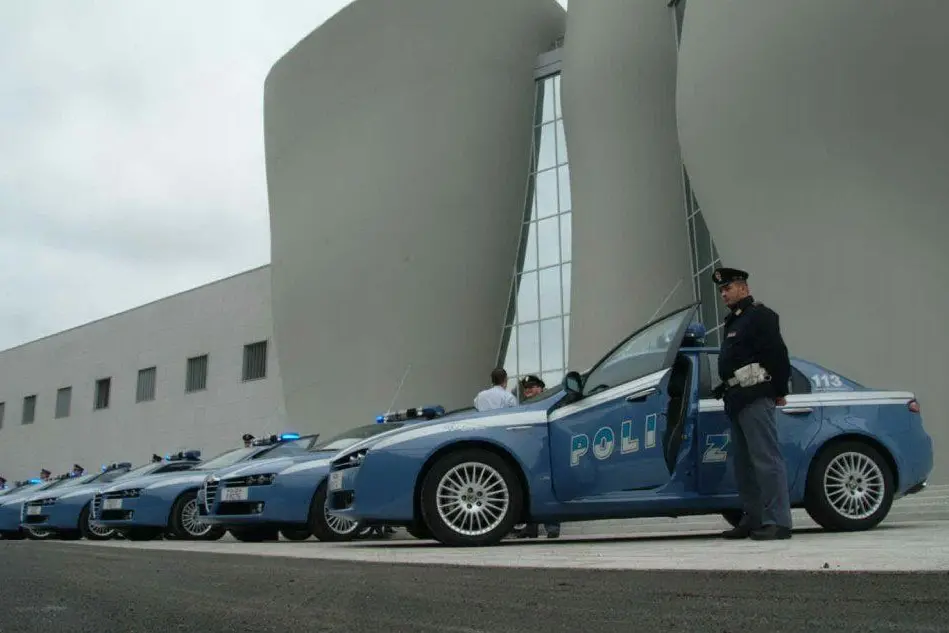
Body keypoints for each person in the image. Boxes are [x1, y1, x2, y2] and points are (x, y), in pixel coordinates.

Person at [711, 267, 793, 541]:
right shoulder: (733, 321)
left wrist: (779, 390)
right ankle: (754, 518)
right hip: (736, 399)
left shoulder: (760, 316)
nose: (724, 294)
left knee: (766, 460)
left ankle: (778, 522)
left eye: (728, 288)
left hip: (756, 394)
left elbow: (778, 354)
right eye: (721, 290)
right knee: (744, 465)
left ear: (743, 288)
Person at [511, 375, 561, 539]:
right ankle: (531, 527)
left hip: (549, 448)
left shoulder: (552, 401)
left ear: (541, 387)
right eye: (526, 389)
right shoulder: (526, 405)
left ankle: (552, 526)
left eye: (532, 387)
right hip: (531, 452)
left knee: (549, 486)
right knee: (532, 488)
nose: (529, 391)